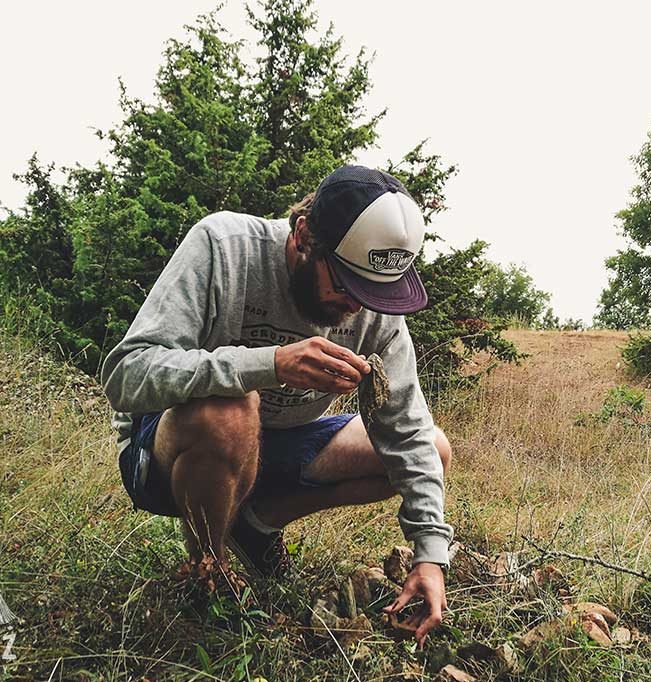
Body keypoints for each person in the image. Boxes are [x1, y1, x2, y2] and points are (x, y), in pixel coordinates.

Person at [101, 165, 453, 646]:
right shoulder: (225, 247)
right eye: (346, 282)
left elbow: (408, 430)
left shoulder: (374, 309)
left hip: (277, 444)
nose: (355, 304)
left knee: (435, 447)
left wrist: (429, 555)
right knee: (228, 411)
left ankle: (255, 524)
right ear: (304, 235)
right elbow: (126, 375)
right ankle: (212, 571)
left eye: (372, 290)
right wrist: (268, 365)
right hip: (167, 451)